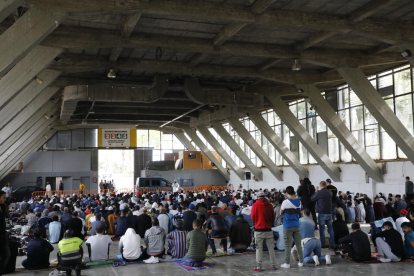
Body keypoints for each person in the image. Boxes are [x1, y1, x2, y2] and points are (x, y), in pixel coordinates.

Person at [251, 191, 276, 272]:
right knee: (271, 249)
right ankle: (273, 265)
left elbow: (252, 217)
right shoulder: (270, 205)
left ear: (258, 197)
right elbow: (273, 217)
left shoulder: (255, 205)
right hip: (268, 230)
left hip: (258, 230)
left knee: (259, 249)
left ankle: (259, 266)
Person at [280, 186, 303, 268]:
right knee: (298, 244)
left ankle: (287, 263)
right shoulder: (299, 202)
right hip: (297, 225)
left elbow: (280, 213)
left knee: (287, 245)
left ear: (287, 193)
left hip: (287, 226)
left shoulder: (285, 202)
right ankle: (301, 261)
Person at [311, 181, 335, 249]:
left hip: (322, 213)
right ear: (325, 185)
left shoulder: (319, 192)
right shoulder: (330, 192)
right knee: (330, 229)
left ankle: (323, 244)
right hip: (329, 212)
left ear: (320, 185)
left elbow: (312, 199)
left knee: (322, 229)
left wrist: (315, 191)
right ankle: (332, 244)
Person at [0, 191, 10, 275]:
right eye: (3, 197)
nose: (5, 199)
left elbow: (7, 216)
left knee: (6, 254)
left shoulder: (2, 207)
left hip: (3, 235)